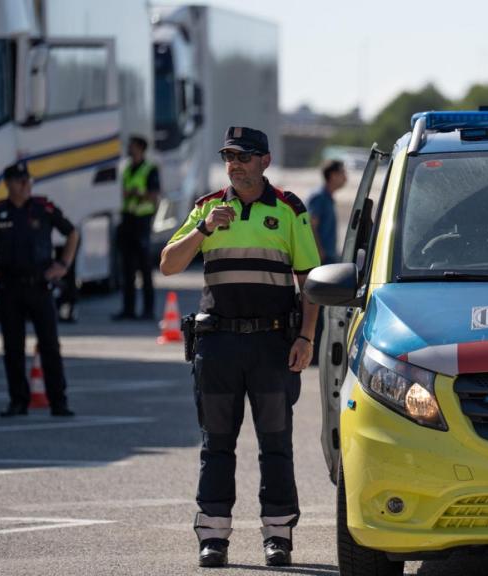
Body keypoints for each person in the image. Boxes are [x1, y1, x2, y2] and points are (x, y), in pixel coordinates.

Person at [160, 126, 320, 568]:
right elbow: (169, 264)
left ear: (265, 161)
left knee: (276, 445)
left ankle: (278, 537)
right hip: (218, 347)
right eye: (229, 156)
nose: (236, 164)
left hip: (272, 345)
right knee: (216, 445)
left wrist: (306, 338)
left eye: (244, 156)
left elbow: (310, 284)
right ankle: (213, 538)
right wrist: (203, 232)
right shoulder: (207, 208)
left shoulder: (289, 210)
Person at [0, 161, 78, 417]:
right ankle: (18, 401)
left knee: (50, 346)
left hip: (40, 286)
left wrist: (63, 264)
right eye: (21, 182)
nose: (26, 185)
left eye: (28, 181)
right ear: (8, 185)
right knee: (13, 348)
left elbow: (72, 233)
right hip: (10, 288)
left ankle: (58, 402)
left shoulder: (43, 208)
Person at [114, 135, 160, 320]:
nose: (129, 148)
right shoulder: (126, 169)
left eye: (132, 145)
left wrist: (137, 193)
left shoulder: (150, 169)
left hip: (142, 221)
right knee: (127, 269)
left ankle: (148, 311)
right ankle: (128, 309)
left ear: (141, 148)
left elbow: (154, 196)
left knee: (145, 268)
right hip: (127, 220)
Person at [305, 160, 346, 364]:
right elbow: (311, 225)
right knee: (317, 307)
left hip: (329, 258)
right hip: (320, 259)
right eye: (342, 173)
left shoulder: (328, 198)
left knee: (324, 309)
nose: (345, 177)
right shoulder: (318, 197)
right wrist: (318, 252)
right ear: (333, 175)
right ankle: (313, 351)